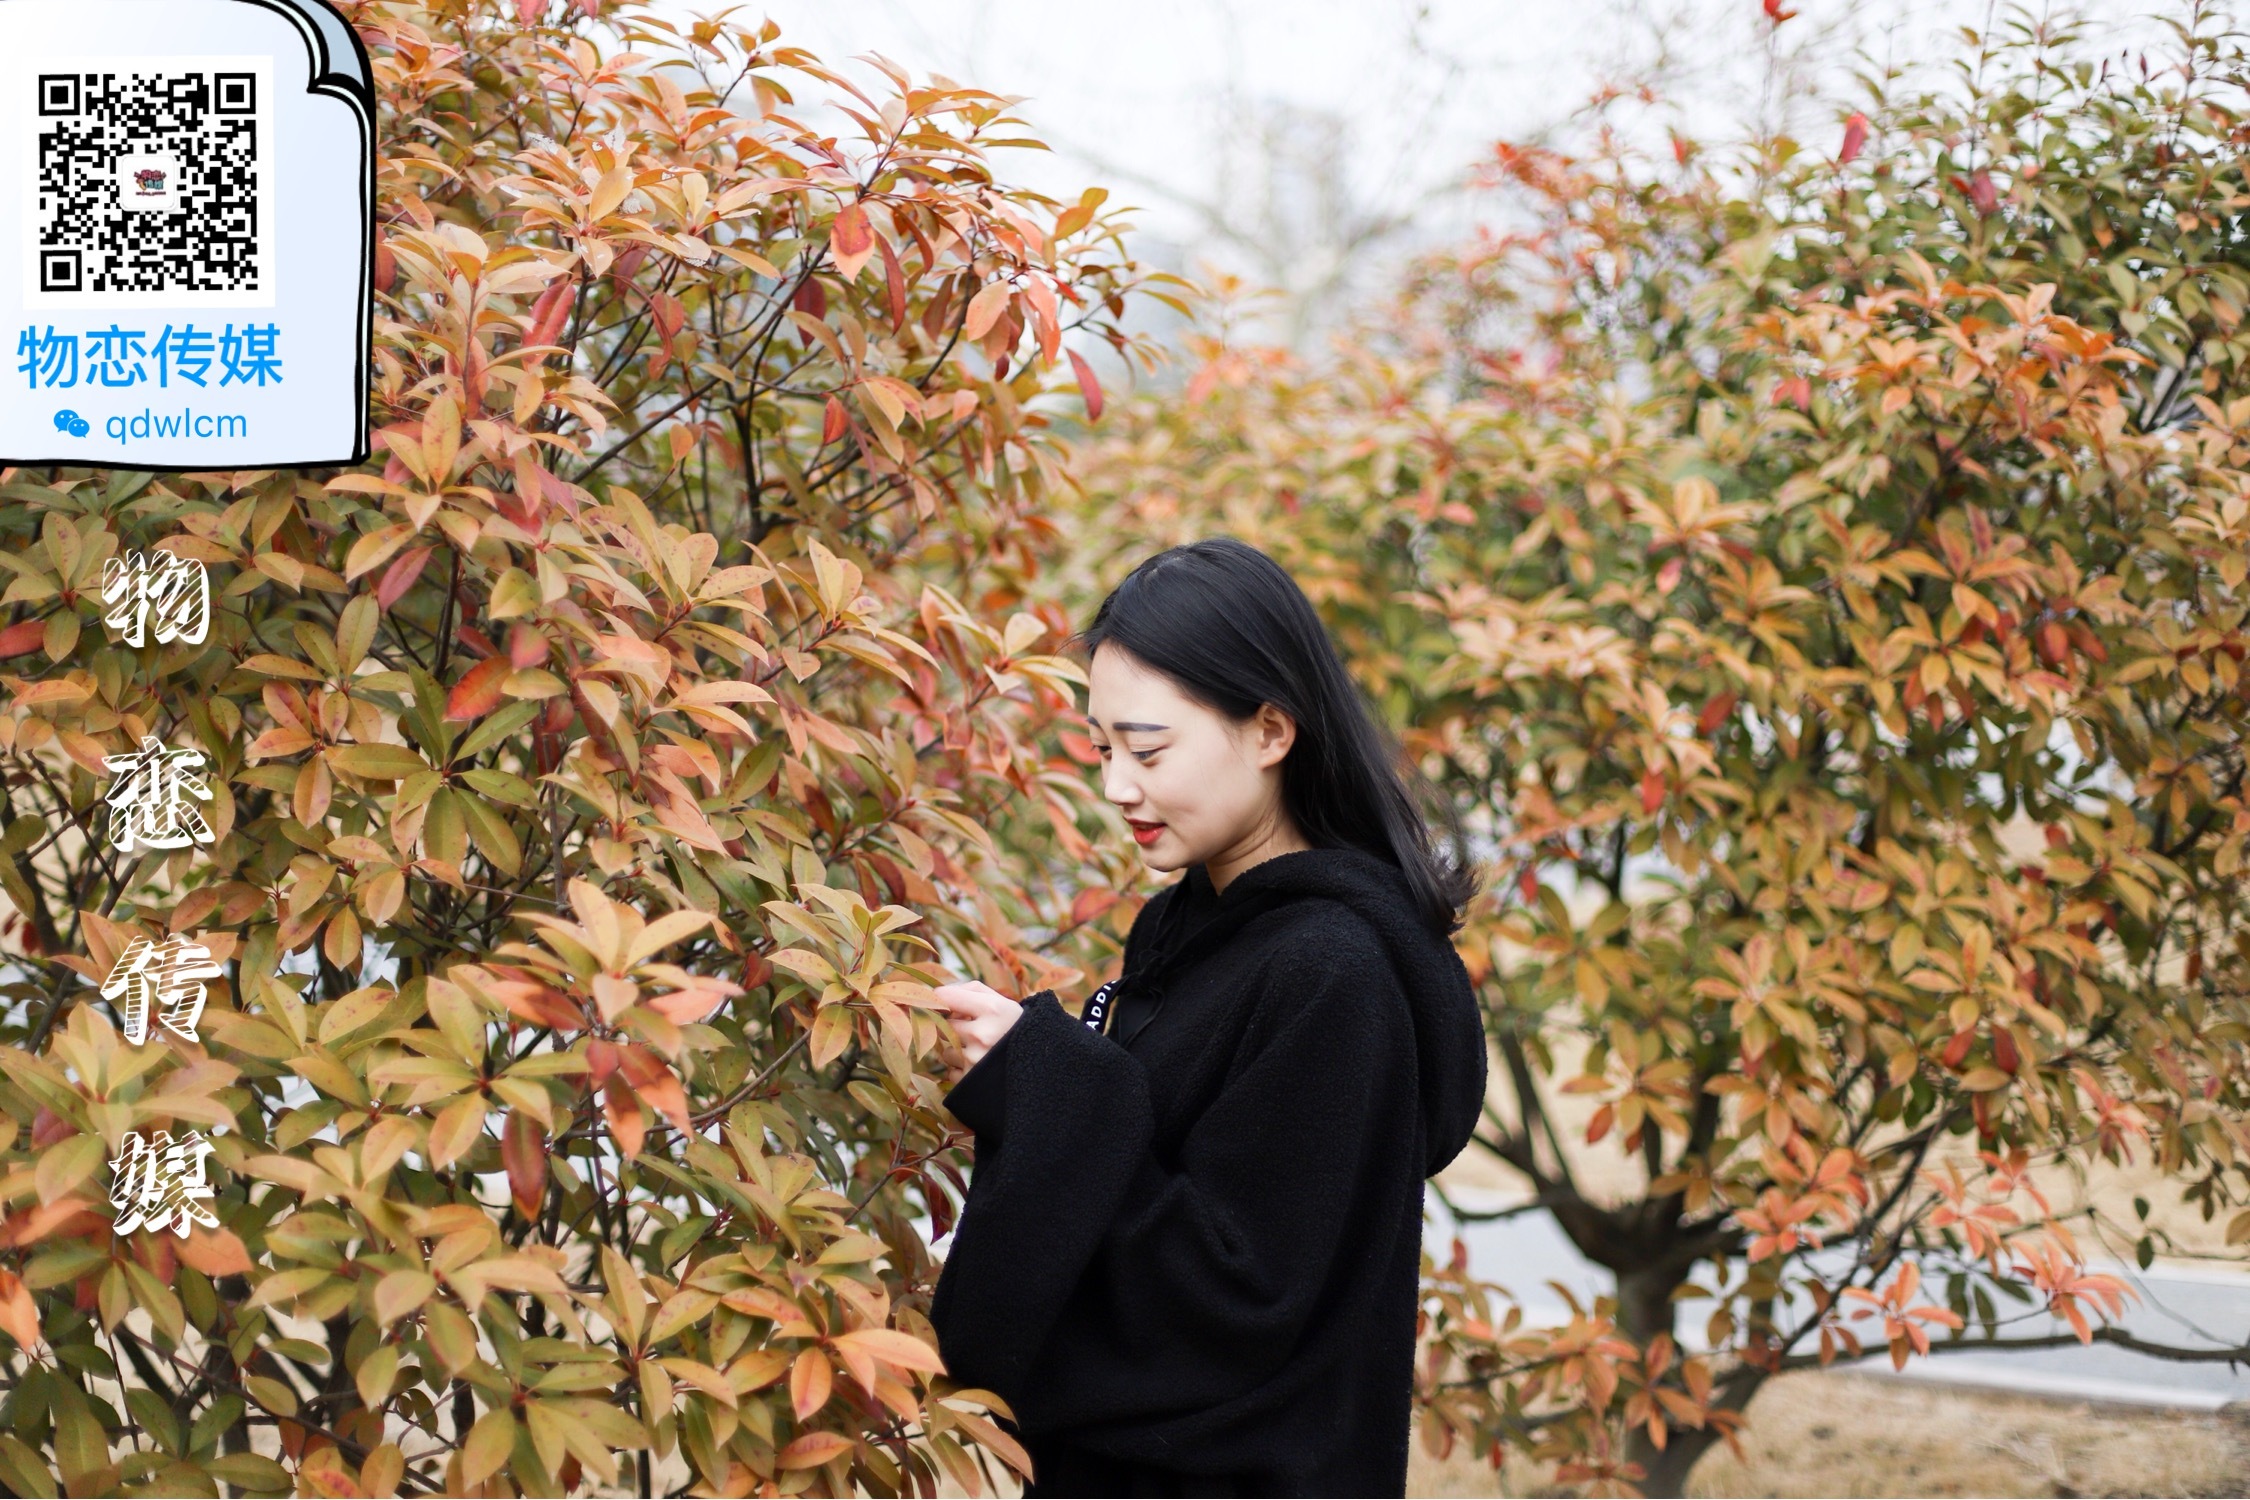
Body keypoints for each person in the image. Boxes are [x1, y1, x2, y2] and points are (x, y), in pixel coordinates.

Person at [928, 537, 1490, 1498]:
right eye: (1103, 749)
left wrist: (1051, 1081)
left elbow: (1238, 1306)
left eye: (1148, 750)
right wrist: (1041, 1075)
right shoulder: (1193, 928)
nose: (1117, 788)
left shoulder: (1332, 973)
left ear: (1272, 731)